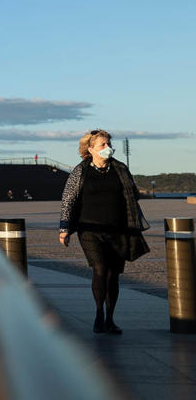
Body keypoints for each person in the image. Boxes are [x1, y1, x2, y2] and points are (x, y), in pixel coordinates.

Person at [59, 129, 150, 335]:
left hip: (119, 229)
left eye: (109, 144)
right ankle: (99, 313)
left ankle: (110, 317)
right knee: (100, 269)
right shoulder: (80, 171)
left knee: (113, 275)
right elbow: (68, 200)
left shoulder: (120, 169)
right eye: (102, 145)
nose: (108, 148)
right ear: (90, 149)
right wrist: (64, 229)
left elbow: (133, 194)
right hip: (90, 229)